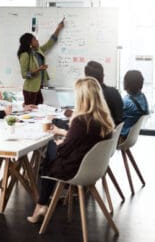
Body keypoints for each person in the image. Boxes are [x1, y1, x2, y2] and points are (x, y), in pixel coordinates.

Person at [27, 77, 114, 223]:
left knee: (49, 153)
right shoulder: (104, 120)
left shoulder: (81, 121)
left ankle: (41, 204)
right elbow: (86, 141)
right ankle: (41, 203)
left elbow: (63, 152)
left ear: (82, 97)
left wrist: (59, 143)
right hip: (94, 168)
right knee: (50, 156)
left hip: (76, 169)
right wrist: (65, 138)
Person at [52, 60, 123, 130]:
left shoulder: (95, 96)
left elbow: (87, 123)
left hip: (99, 135)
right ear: (103, 75)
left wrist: (55, 121)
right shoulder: (114, 91)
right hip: (112, 135)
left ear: (87, 79)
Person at [17, 20, 64, 105]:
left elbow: (50, 43)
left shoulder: (38, 51)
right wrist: (38, 69)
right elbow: (24, 75)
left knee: (39, 112)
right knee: (31, 113)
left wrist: (58, 28)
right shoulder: (25, 55)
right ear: (30, 43)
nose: (37, 40)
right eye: (34, 39)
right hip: (30, 90)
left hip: (39, 87)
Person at [121, 70, 149, 138]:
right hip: (131, 136)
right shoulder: (143, 98)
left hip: (121, 136)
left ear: (127, 83)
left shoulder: (127, 102)